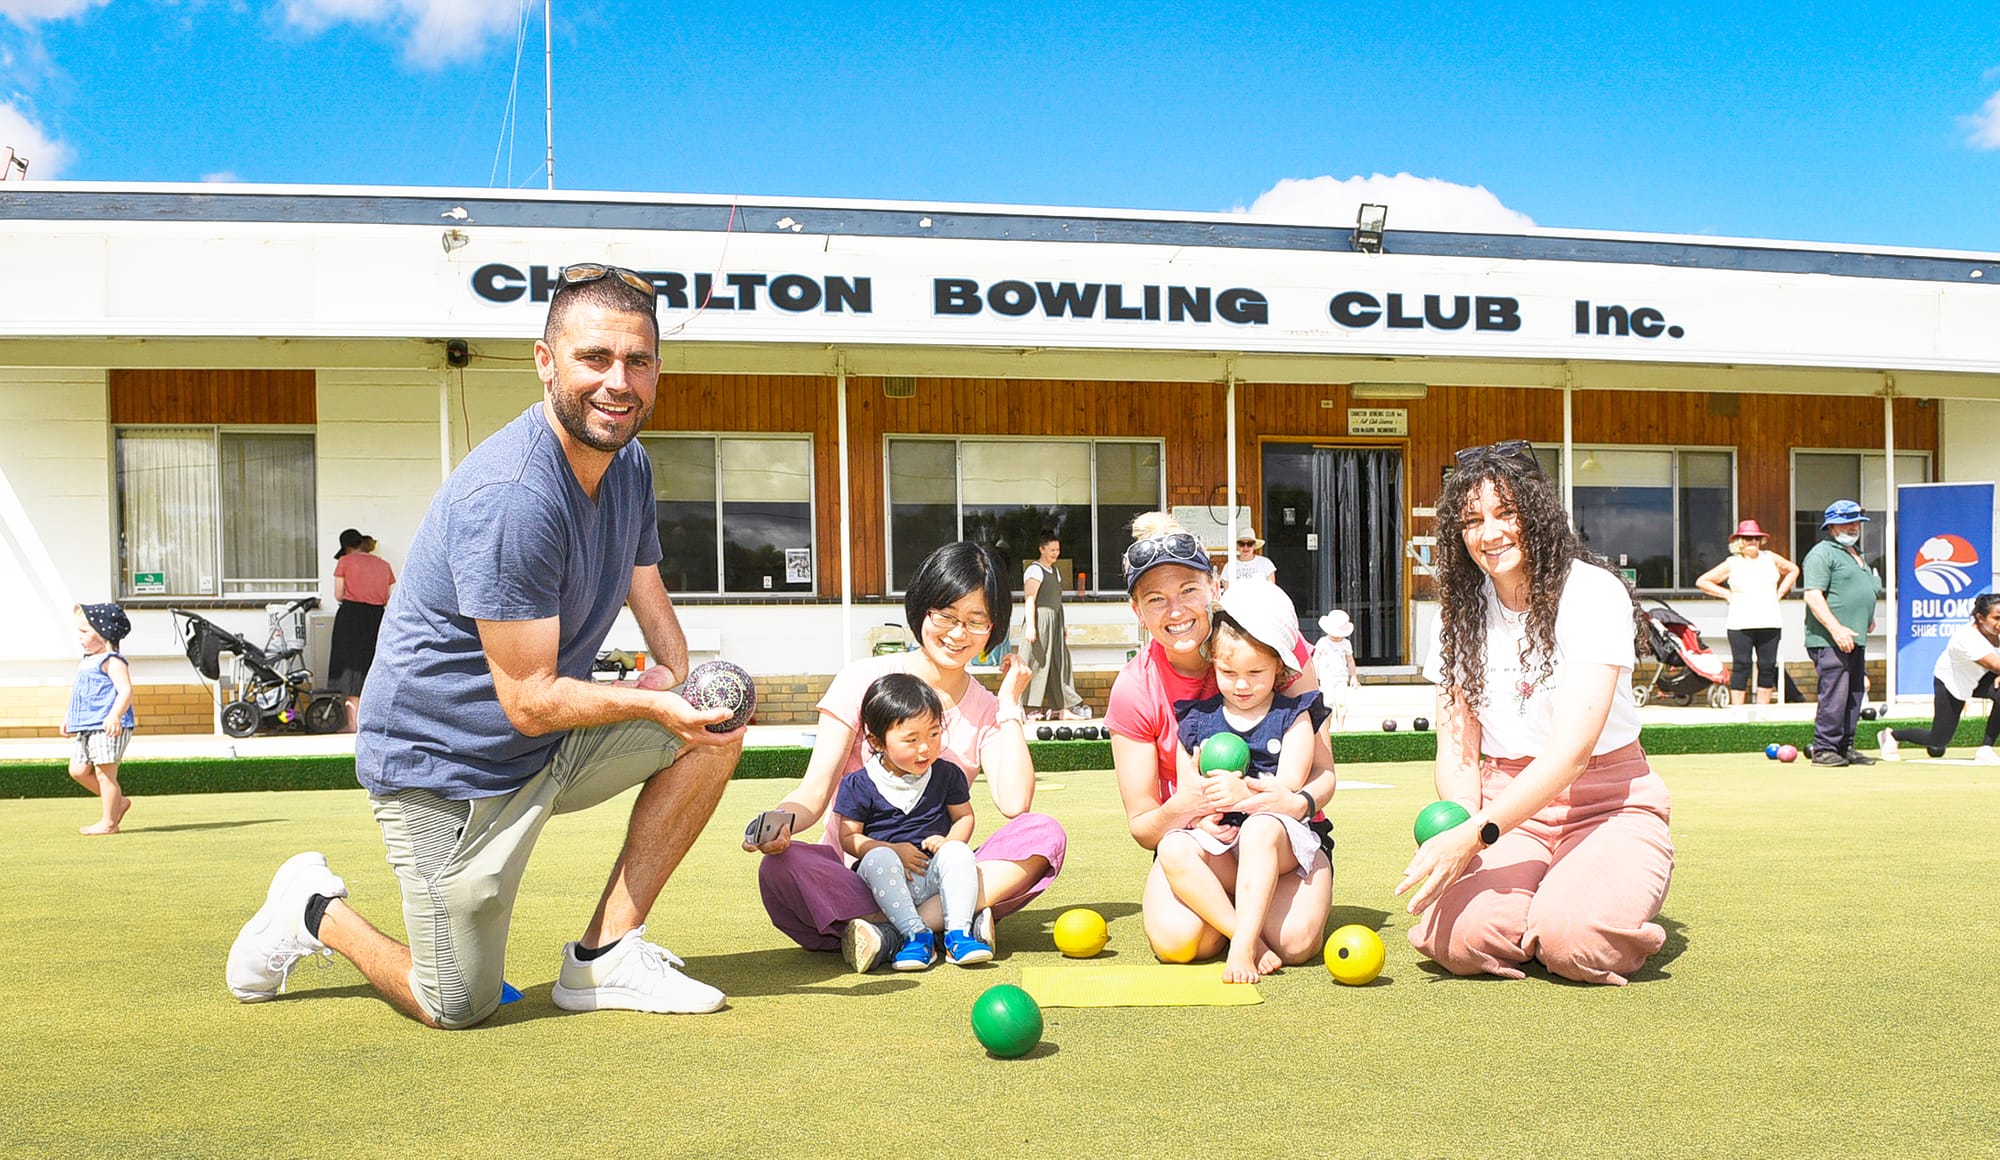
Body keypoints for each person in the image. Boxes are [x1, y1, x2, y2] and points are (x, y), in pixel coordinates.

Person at [225, 262, 746, 1028]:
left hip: (540, 744)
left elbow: (645, 582)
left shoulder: (627, 460)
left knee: (716, 724)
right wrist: (652, 701)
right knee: (456, 1003)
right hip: (445, 768)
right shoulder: (513, 497)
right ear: (546, 362)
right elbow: (531, 700)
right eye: (594, 358)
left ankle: (603, 959)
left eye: (637, 360)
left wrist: (682, 678)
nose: (618, 382)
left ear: (657, 369)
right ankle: (309, 910)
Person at [1398, 440, 1673, 986]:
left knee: (1574, 941)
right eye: (1472, 520)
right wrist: (1461, 821)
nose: (1490, 533)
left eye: (1506, 512)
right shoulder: (1457, 614)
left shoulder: (1592, 593)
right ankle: (1542, 901)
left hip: (1606, 802)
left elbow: (1572, 753)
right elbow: (1457, 749)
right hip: (1505, 808)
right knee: (1462, 940)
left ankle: (1583, 897)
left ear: (1538, 512)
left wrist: (1473, 836)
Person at [748, 542, 1066, 972]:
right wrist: (777, 823)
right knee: (781, 868)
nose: (958, 633)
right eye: (946, 615)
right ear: (921, 609)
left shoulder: (988, 708)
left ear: (994, 628)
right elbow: (815, 788)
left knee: (1042, 833)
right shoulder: (862, 679)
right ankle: (950, 924)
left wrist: (1010, 704)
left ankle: (890, 932)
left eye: (976, 621)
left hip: (941, 875)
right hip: (861, 876)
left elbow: (1014, 804)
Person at [1103, 513, 1335, 976]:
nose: (1176, 611)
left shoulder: (1268, 647)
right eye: (1155, 599)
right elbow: (1144, 826)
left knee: (1295, 942)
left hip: (1278, 830)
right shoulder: (1134, 688)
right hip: (1199, 837)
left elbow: (1324, 776)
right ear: (1137, 611)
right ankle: (1243, 936)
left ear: (1214, 587)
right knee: (1180, 942)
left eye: (1188, 590)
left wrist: (1291, 800)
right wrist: (1185, 807)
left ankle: (1253, 916)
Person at [1169, 586, 1330, 981]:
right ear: (1213, 665)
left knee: (1259, 829)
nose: (1242, 685)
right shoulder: (1197, 721)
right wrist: (1198, 819)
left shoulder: (1294, 717)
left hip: (1278, 837)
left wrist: (1244, 794)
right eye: (1229, 673)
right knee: (1172, 846)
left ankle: (1239, 948)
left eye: (1255, 673)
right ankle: (1250, 939)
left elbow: (1289, 786)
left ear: (1279, 668)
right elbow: (1186, 789)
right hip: (1223, 843)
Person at [835, 673, 995, 970]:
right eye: (912, 739)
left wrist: (949, 842)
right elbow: (849, 838)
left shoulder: (947, 774)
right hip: (884, 881)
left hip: (933, 875)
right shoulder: (858, 784)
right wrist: (892, 849)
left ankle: (958, 934)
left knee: (959, 852)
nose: (925, 748)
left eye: (933, 734)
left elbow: (964, 817)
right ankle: (916, 935)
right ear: (877, 741)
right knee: (879, 856)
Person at [1800, 500, 1884, 767]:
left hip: (1856, 636)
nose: (1853, 526)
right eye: (1847, 521)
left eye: (1856, 521)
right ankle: (1824, 748)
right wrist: (1836, 629)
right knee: (1836, 693)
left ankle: (1845, 746)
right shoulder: (1822, 554)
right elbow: (1813, 595)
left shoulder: (1855, 553)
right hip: (1829, 639)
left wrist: (1869, 618)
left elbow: (1863, 590)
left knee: (1854, 693)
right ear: (1831, 525)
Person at [1880, 593, 2000, 764]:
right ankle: (1891, 735)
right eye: (1996, 618)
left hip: (1981, 675)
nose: (1999, 623)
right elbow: (1995, 664)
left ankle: (1985, 749)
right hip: (1953, 681)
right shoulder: (1966, 638)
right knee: (1938, 741)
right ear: (1980, 618)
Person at [1694, 519, 1799, 705]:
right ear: (1739, 541)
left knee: (1767, 666)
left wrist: (1781, 592)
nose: (1753, 542)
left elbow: (1793, 569)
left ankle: (1762, 711)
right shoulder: (1732, 563)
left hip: (1770, 621)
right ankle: (1738, 712)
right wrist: (1726, 593)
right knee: (1742, 665)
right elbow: (1703, 581)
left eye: (1756, 539)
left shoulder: (1770, 557)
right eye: (1748, 538)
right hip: (1740, 622)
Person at [64, 602, 135, 836]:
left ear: (103, 633)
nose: (79, 637)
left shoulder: (113, 660)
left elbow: (126, 691)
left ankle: (109, 822)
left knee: (105, 774)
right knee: (77, 770)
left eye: (85, 631)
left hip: (108, 726)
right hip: (86, 726)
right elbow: (81, 694)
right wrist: (69, 718)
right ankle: (119, 802)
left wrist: (115, 715)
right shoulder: (86, 661)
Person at [327, 528, 397, 732]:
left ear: (347, 547)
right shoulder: (384, 565)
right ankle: (376, 724)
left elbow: (339, 595)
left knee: (349, 667)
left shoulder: (345, 561)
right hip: (377, 617)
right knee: (374, 664)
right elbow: (387, 596)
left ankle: (352, 723)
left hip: (351, 617)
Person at [1021, 532, 1088, 721]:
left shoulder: (1056, 571)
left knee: (1059, 662)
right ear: (1041, 549)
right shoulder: (1034, 570)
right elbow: (1030, 599)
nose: (1055, 554)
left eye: (1057, 550)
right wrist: (1031, 627)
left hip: (1056, 620)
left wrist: (1061, 625)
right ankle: (1030, 708)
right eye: (1051, 550)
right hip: (1040, 619)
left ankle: (1062, 707)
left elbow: (1056, 600)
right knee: (1037, 661)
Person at [1310, 609, 1360, 732]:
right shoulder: (1323, 642)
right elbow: (1316, 659)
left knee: (1341, 702)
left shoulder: (1346, 644)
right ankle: (1327, 727)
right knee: (1329, 701)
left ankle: (1340, 727)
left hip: (1341, 677)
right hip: (1327, 677)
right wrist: (1315, 676)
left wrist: (1353, 676)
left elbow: (1350, 661)